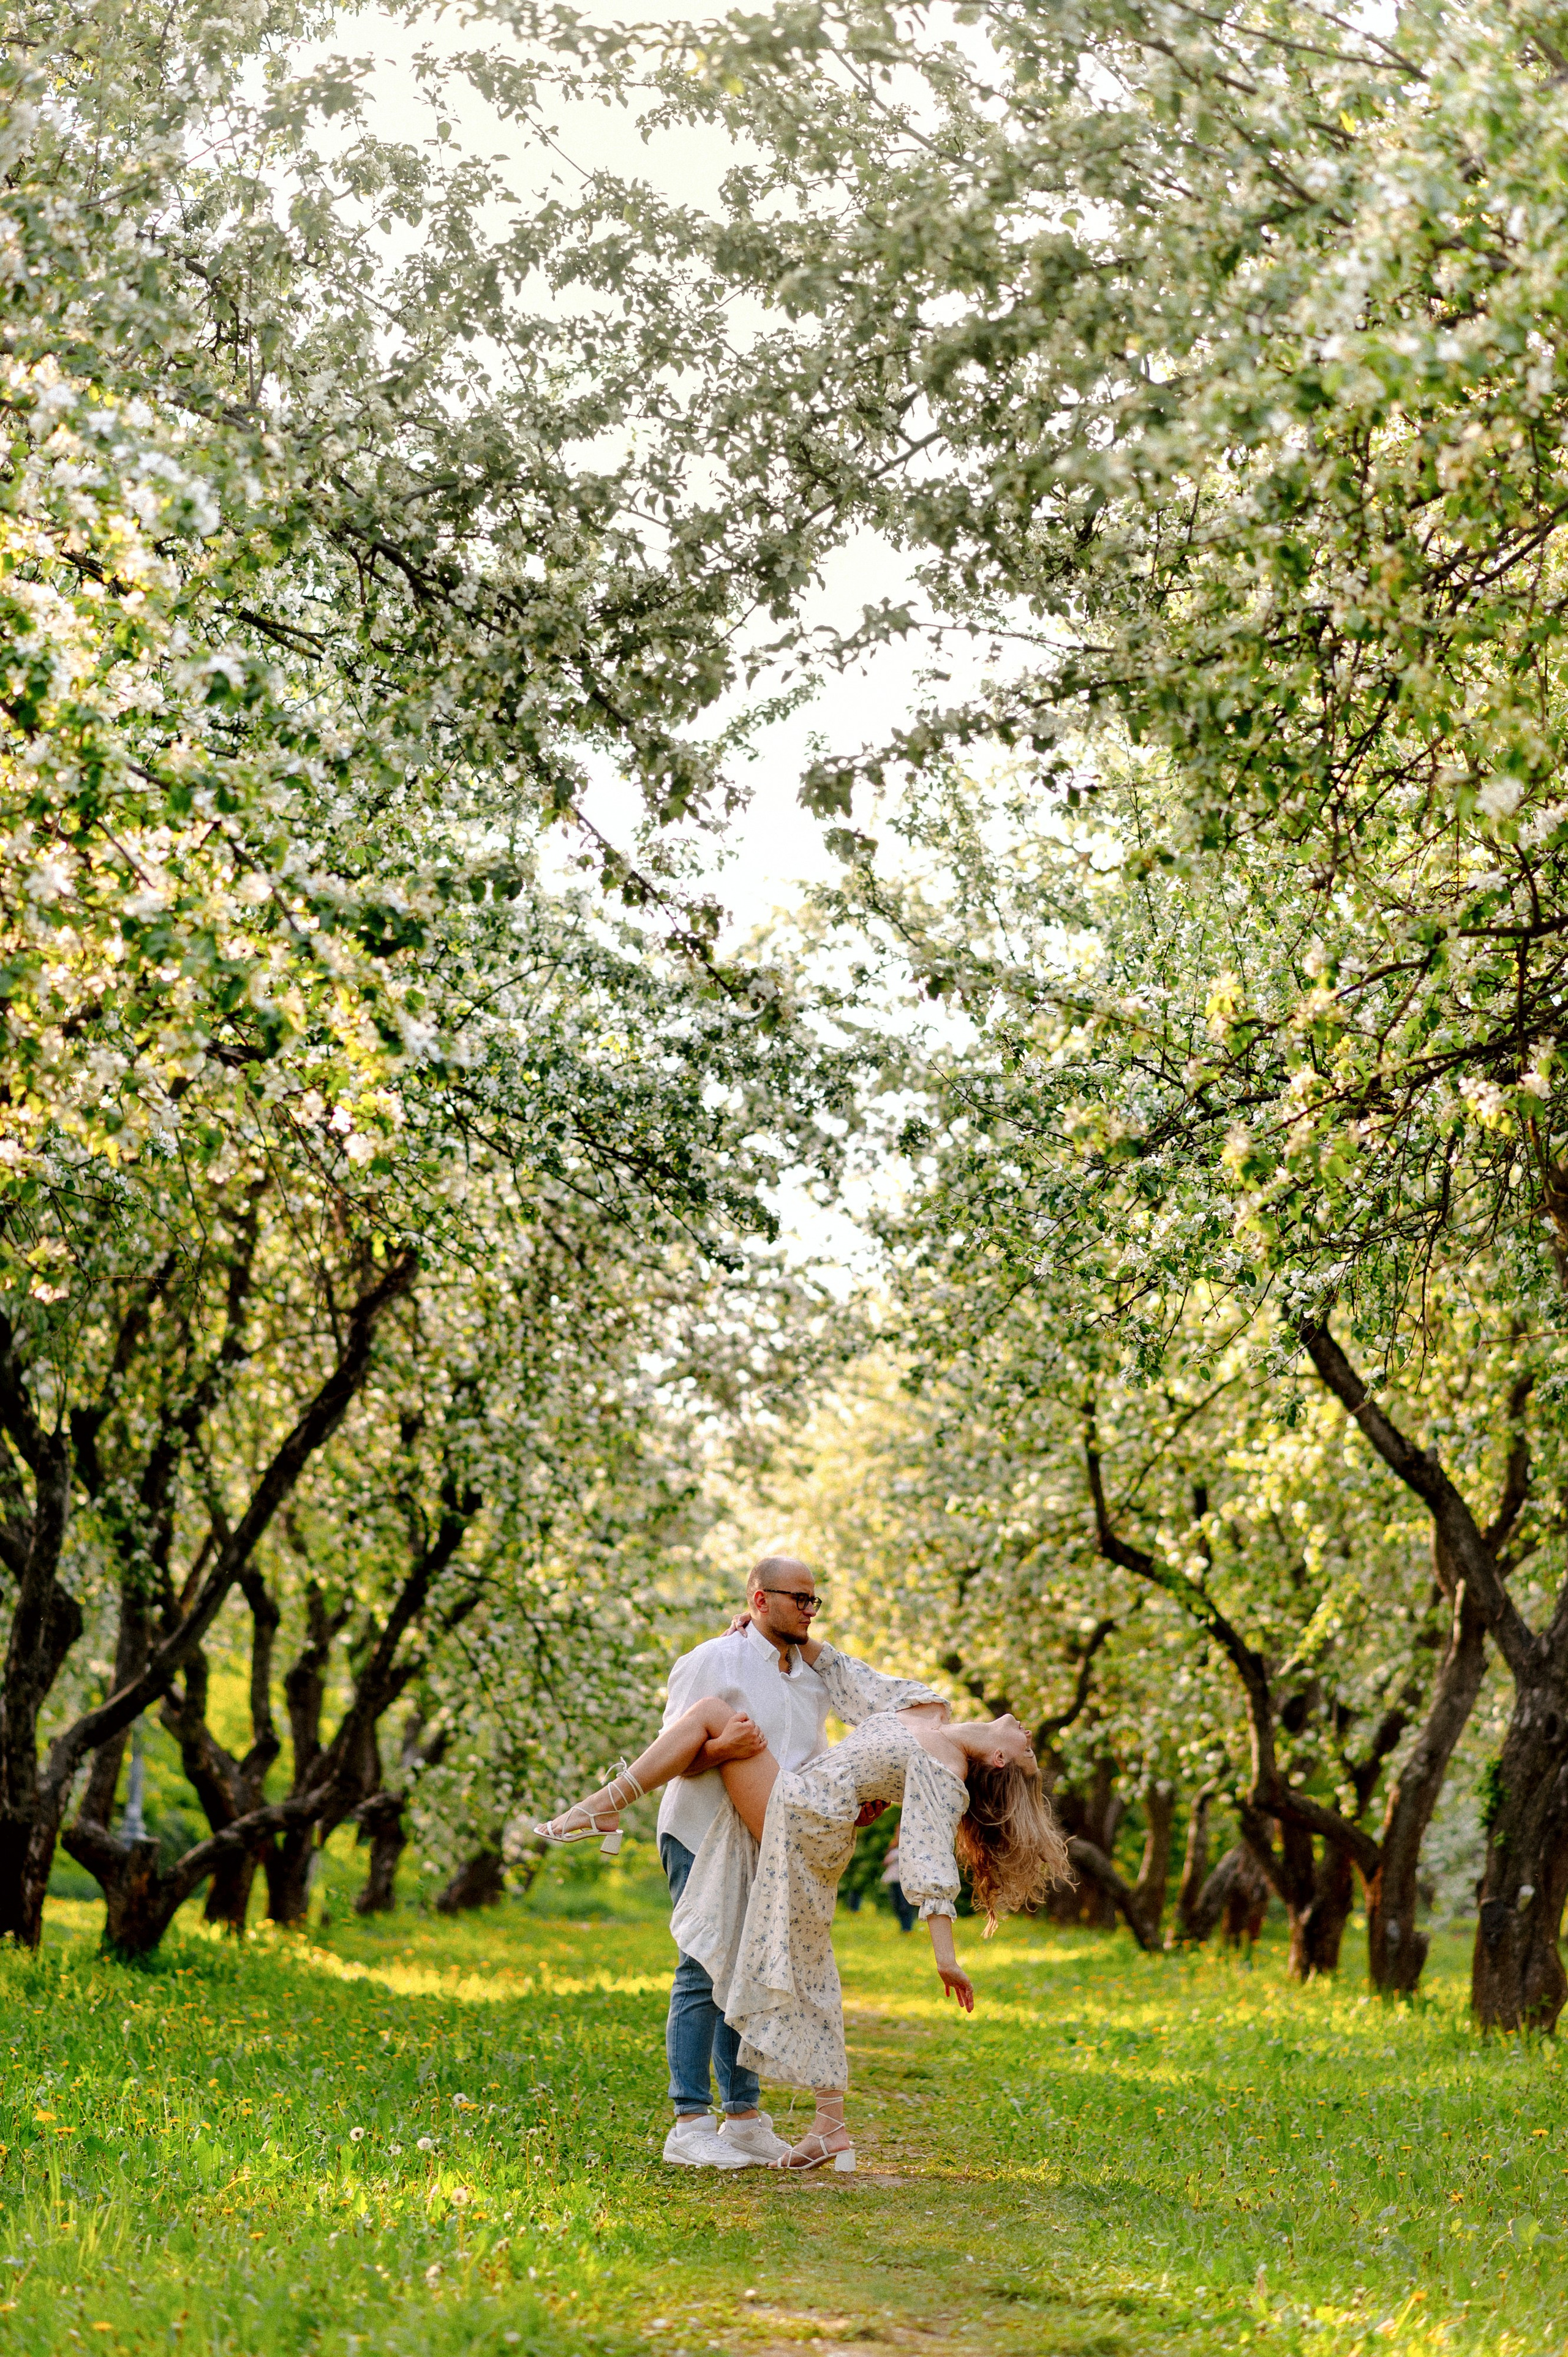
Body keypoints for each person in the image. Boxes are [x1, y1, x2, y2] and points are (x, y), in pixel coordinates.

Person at [539, 1678, 1072, 2174]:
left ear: (998, 1758)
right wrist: (764, 1618)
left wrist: (946, 1957)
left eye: (1025, 1751)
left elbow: (927, 1862)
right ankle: (831, 2127)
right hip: (807, 1804)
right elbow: (841, 1670)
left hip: (808, 1817)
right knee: (810, 1963)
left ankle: (601, 1808)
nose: (1028, 1736)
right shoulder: (925, 1706)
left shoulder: (944, 1768)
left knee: (714, 1715)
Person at [533, 1556, 940, 2170]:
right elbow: (675, 1754)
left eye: (814, 1599)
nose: (809, 1609)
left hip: (771, 1837)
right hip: (703, 1827)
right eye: (799, 1597)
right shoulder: (711, 1659)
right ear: (758, 1599)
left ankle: (744, 2118)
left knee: (748, 1971)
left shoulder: (812, 1676)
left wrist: (853, 1805)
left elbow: (806, 1763)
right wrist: (725, 1746)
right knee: (703, 1969)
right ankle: (689, 2120)